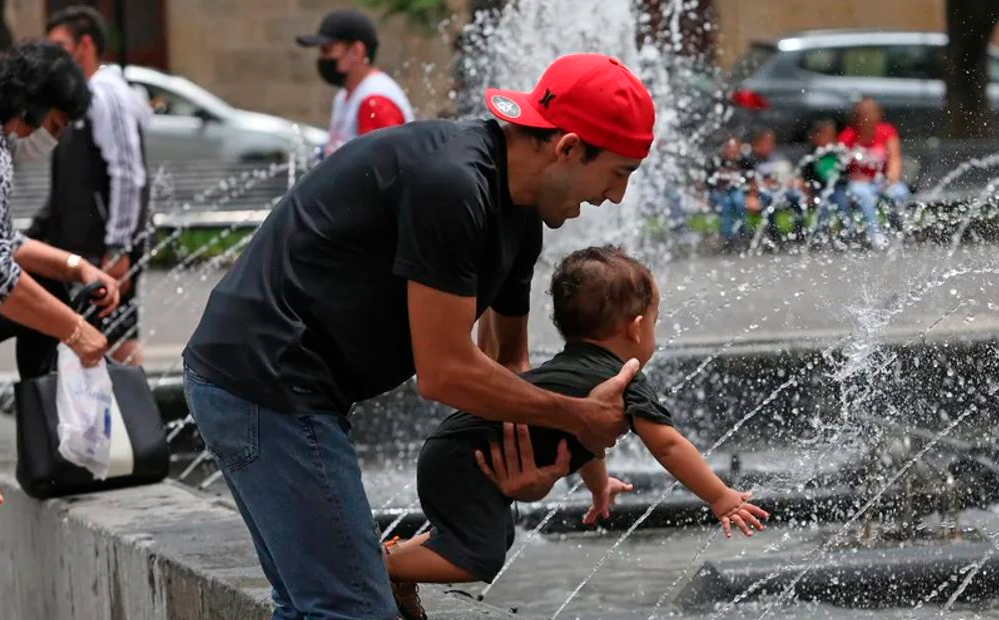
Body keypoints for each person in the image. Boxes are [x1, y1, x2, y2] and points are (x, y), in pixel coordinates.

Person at [181, 53, 655, 619]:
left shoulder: (519, 212)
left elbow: (507, 359)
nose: (617, 197)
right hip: (266, 384)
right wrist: (576, 417)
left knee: (314, 603)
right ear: (569, 147)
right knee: (352, 609)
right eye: (619, 172)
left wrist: (530, 464)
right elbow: (444, 371)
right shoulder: (452, 186)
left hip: (269, 385)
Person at [384, 246, 769, 618]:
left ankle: (399, 564)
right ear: (637, 329)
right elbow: (667, 445)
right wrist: (721, 498)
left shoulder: (572, 370)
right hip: (463, 461)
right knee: (479, 558)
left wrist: (599, 486)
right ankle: (381, 566)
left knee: (492, 537)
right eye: (655, 321)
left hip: (452, 453)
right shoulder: (624, 380)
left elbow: (584, 434)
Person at [0, 42, 119, 393]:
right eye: (54, 124)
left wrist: (73, 266)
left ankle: (44, 432)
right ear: (30, 103)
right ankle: (45, 432)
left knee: (49, 288)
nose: (53, 138)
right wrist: (75, 331)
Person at [31, 5, 152, 366]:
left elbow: (128, 174)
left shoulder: (105, 93)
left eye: (58, 45)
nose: (52, 56)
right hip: (82, 246)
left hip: (105, 247)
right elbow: (72, 179)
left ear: (84, 45)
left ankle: (136, 419)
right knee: (91, 340)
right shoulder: (81, 96)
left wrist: (118, 247)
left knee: (117, 341)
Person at [297, 8, 415, 155]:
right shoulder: (345, 96)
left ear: (356, 51)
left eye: (327, 50)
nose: (321, 58)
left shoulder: (374, 102)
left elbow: (383, 169)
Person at [835, 98, 910, 249]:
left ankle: (896, 231)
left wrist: (891, 179)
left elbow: (894, 159)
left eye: (871, 113)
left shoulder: (887, 132)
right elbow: (839, 166)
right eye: (863, 113)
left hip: (881, 181)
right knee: (863, 194)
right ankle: (874, 233)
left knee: (899, 193)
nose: (867, 117)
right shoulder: (848, 136)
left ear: (878, 114)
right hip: (858, 184)